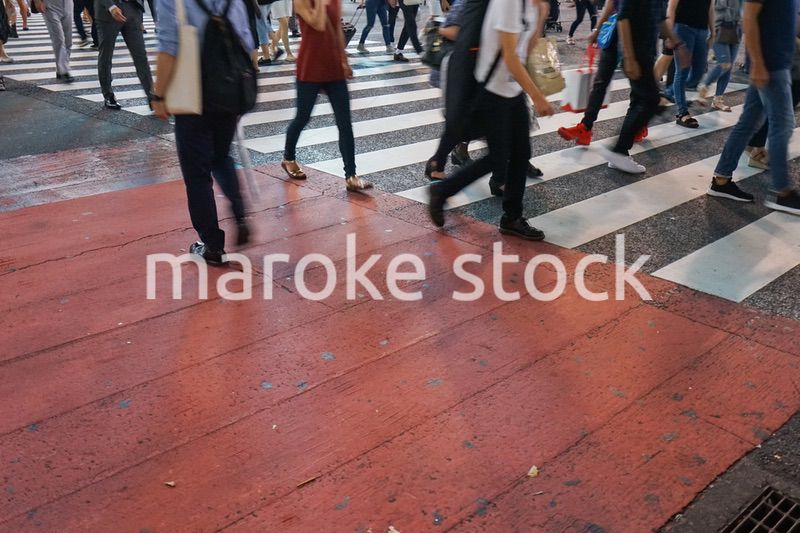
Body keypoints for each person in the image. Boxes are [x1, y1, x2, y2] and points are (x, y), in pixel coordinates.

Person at [428, 0, 555, 240]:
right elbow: (510, 56)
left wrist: (540, 16)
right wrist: (537, 96)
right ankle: (443, 191)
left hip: (512, 89)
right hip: (492, 91)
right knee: (498, 156)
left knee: (521, 153)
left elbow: (525, 50)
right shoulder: (508, 3)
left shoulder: (530, 4)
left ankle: (512, 218)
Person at [151, 0, 254, 264]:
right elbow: (247, 44)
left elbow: (169, 48)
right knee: (221, 156)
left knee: (197, 174)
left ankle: (212, 245)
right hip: (228, 91)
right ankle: (239, 212)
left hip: (192, 96)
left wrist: (159, 95)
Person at [706, 0, 800, 214]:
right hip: (770, 65)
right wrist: (757, 63)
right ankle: (783, 192)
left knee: (749, 123)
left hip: (777, 62)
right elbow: (749, 17)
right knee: (783, 125)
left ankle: (721, 180)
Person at [281, 0, 373, 192]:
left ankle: (351, 176)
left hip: (333, 66)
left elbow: (336, 29)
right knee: (302, 117)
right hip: (310, 66)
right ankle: (288, 158)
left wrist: (344, 60)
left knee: (344, 122)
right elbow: (317, 23)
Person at [600, 0, 688, 173]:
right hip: (635, 53)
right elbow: (623, 18)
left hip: (646, 52)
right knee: (651, 100)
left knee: (639, 101)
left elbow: (660, 19)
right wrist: (629, 57)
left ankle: (620, 152)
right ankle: (618, 151)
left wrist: (676, 44)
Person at [95, 0, 153, 109]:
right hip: (108, 13)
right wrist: (111, 6)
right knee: (106, 55)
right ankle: (108, 94)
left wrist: (140, 17)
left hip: (133, 11)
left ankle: (151, 95)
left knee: (141, 56)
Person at [666, 0, 714, 128]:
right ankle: (682, 113)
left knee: (698, 73)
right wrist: (670, 34)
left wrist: (713, 32)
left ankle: (669, 92)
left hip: (702, 30)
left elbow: (710, 7)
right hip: (683, 28)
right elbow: (672, 6)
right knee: (682, 71)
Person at [696, 0, 741, 111]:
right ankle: (704, 86)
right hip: (719, 27)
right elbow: (714, 8)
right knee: (724, 63)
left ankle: (718, 100)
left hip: (737, 29)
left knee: (729, 67)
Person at [33, 0, 75, 81]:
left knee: (68, 40)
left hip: (68, 3)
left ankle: (61, 69)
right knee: (59, 39)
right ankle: (64, 70)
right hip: (50, 5)